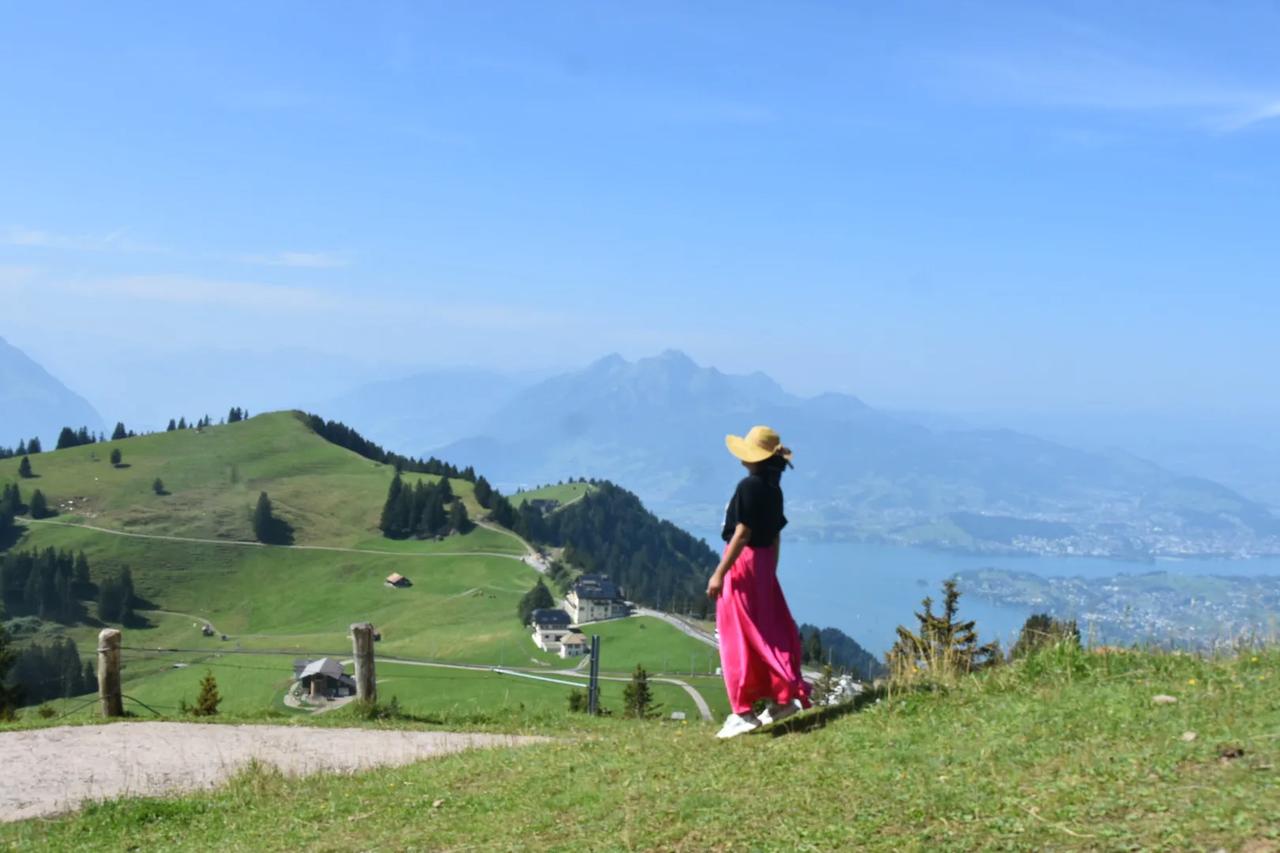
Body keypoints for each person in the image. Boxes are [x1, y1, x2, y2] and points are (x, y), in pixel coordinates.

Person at [707, 425, 811, 738]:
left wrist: (719, 573)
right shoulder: (773, 489)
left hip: (743, 563)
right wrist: (769, 573)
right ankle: (781, 700)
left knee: (736, 636)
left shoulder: (749, 486)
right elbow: (775, 535)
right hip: (763, 564)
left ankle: (742, 712)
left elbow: (742, 534)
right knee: (767, 632)